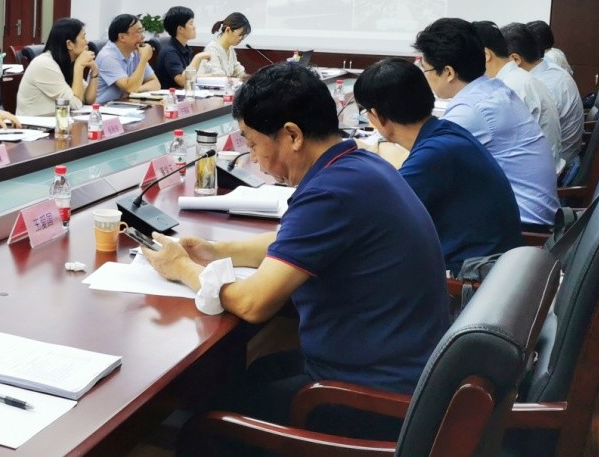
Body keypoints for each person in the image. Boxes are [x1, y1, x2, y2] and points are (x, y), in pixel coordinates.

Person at [143, 63, 448, 454]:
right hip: (399, 368)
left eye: (254, 144)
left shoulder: (330, 193)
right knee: (255, 372)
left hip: (375, 400)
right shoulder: (357, 164)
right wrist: (215, 250)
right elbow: (291, 240)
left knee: (202, 431)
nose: (254, 158)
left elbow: (253, 304)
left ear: (292, 135)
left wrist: (182, 269)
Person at [353, 57, 522, 274]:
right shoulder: (447, 132)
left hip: (470, 278)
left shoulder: (434, 155)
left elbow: (374, 221)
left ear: (377, 116)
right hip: (497, 267)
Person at [413, 18, 559, 228]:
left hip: (522, 227)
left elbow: (421, 168)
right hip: (524, 215)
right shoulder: (493, 90)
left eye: (426, 70)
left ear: (448, 72)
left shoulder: (473, 110)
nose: (426, 77)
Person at [473, 20, 562, 163]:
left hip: (533, 170)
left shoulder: (509, 87)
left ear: (486, 55)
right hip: (544, 163)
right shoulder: (520, 78)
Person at [505, 22, 583, 172]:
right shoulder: (550, 71)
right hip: (562, 154)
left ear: (515, 59)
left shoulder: (539, 85)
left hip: (558, 165)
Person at [15, 18, 99, 116]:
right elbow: (76, 105)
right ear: (69, 44)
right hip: (33, 123)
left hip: (58, 120)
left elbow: (88, 100)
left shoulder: (67, 62)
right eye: (83, 37)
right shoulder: (44, 64)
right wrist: (79, 66)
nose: (87, 42)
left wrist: (94, 71)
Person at [95, 14, 159, 103]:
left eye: (142, 31)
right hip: (101, 107)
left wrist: (136, 89)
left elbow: (155, 83)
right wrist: (144, 59)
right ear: (122, 37)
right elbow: (130, 88)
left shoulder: (136, 51)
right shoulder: (107, 57)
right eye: (139, 32)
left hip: (122, 104)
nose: (143, 36)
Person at [153, 6, 213, 88]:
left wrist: (212, 77)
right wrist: (198, 57)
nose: (194, 27)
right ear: (180, 29)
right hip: (169, 95)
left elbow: (191, 76)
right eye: (191, 23)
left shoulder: (184, 48)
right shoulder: (170, 52)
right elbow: (183, 81)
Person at [201, 12, 250, 79]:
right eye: (240, 35)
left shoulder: (230, 49)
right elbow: (218, 77)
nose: (241, 39)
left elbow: (239, 71)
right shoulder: (212, 49)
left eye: (243, 36)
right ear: (228, 30)